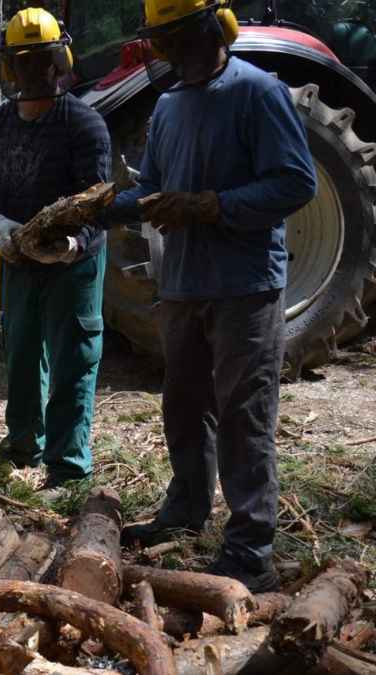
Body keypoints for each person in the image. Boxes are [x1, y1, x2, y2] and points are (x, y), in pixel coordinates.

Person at [110, 0, 316, 592]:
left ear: (207, 28)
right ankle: (185, 509)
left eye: (174, 37)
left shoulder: (257, 92)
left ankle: (251, 552)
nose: (166, 52)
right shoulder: (170, 105)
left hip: (244, 286)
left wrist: (211, 206)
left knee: (244, 415)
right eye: (160, 40)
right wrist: (97, 208)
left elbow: (295, 182)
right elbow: (152, 188)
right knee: (183, 405)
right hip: (182, 283)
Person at [0, 7, 112, 490]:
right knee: (22, 353)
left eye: (42, 60)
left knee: (74, 357)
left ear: (59, 61)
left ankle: (68, 467)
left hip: (74, 264)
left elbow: (98, 200)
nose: (33, 71)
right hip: (19, 258)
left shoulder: (84, 124)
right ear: (10, 67)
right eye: (23, 61)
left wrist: (74, 242)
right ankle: (24, 445)